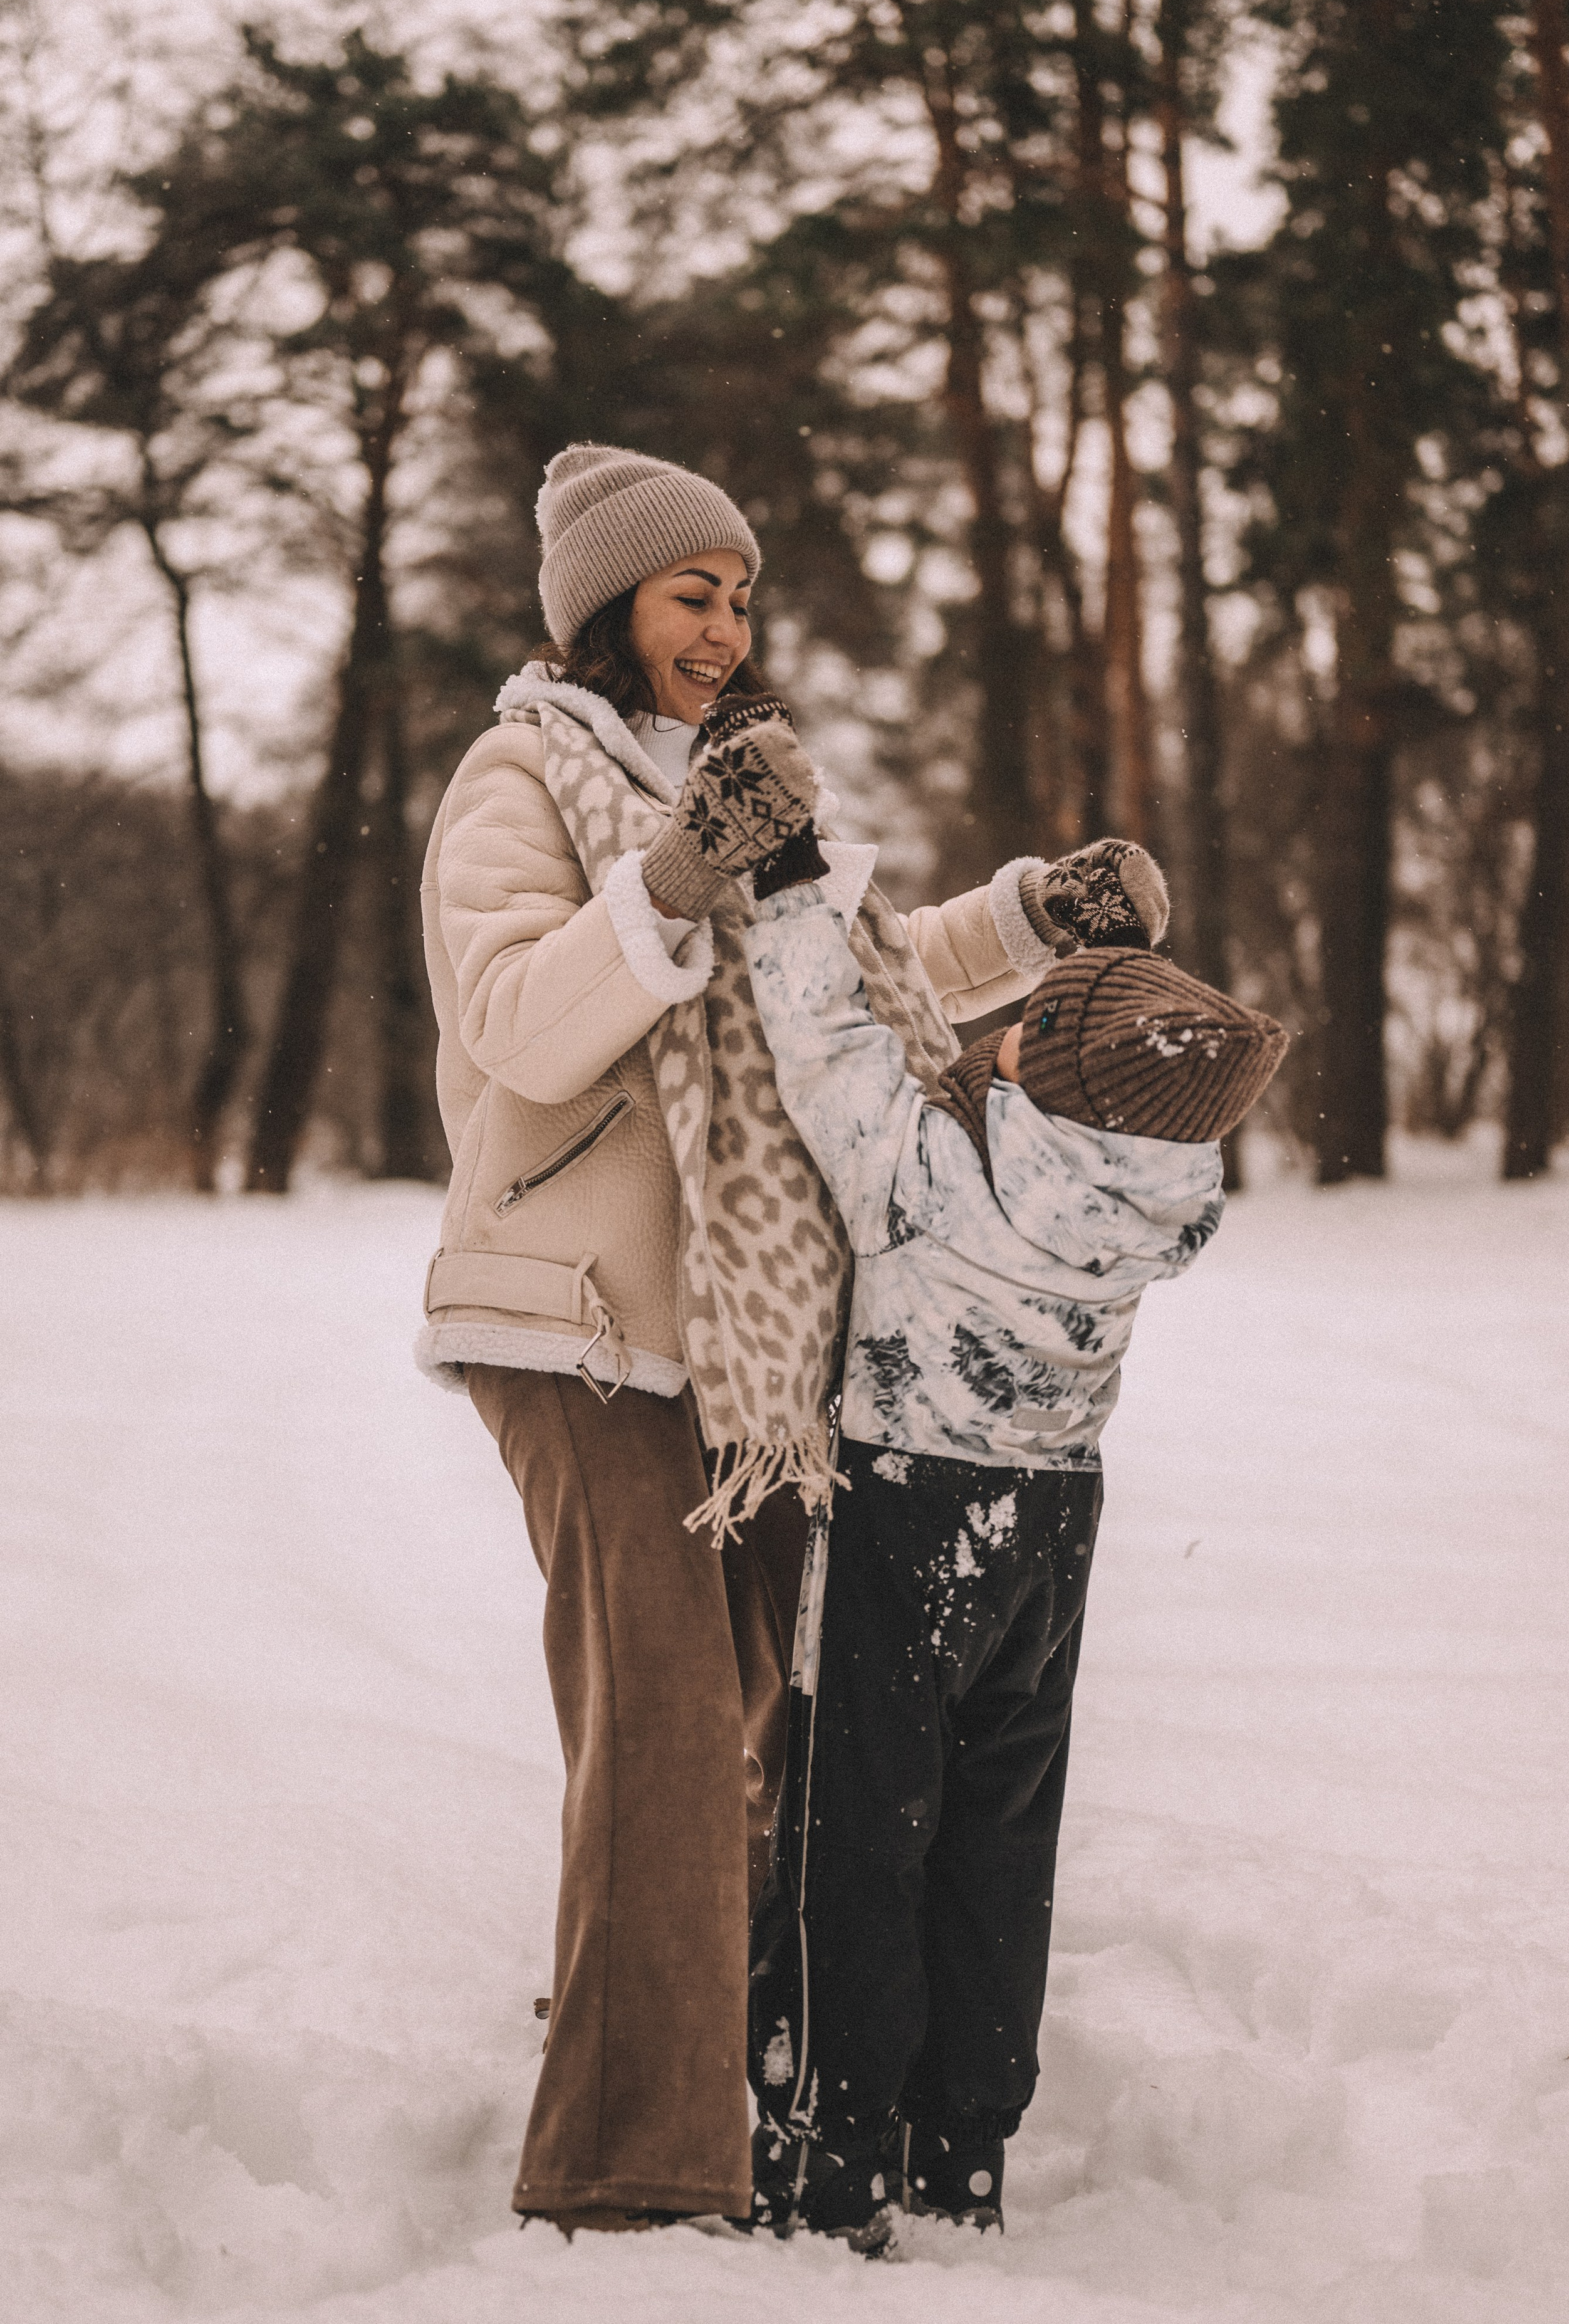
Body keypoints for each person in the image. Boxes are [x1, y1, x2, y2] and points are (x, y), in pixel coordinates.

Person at [415, 442, 1081, 2232]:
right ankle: (625, 2165)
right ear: (603, 610)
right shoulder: (517, 776)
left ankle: (701, 2048)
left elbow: (850, 972)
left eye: (740, 598)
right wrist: (669, 875)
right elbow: (517, 1020)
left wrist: (1027, 921)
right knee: (665, 1721)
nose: (725, 629)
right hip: (575, 1321)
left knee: (768, 1724)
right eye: (690, 595)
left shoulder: (746, 784)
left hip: (750, 1342)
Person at [664, 792, 1285, 2251]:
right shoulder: (1150, 1189)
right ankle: (963, 2143)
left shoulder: (935, 1177)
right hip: (1049, 1528)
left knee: (857, 1830)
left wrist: (792, 874)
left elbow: (825, 1043)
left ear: (1038, 1068)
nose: (991, 1038)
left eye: (1020, 1034)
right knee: (998, 1836)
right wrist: (1105, 974)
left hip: (906, 1510)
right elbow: (1109, 1070)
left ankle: (824, 2149)